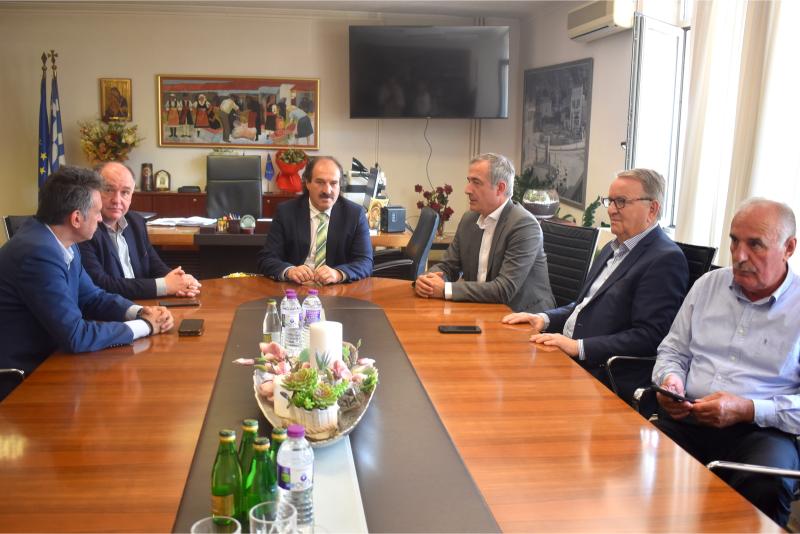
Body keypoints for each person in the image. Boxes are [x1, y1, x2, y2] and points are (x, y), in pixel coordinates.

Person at [652, 198, 800, 527]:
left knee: (766, 483)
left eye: (755, 244)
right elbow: (673, 350)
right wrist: (670, 381)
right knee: (637, 456)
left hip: (763, 432)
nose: (739, 255)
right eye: (734, 241)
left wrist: (747, 409)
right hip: (689, 418)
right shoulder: (707, 286)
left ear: (788, 248)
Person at [502, 168, 689, 402]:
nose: (611, 209)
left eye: (621, 202)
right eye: (610, 201)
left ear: (652, 209)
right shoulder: (613, 248)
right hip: (567, 359)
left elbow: (650, 337)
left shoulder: (665, 259)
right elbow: (584, 306)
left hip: (601, 375)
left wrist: (579, 347)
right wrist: (544, 318)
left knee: (513, 392)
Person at [0, 166, 174, 400]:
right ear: (76, 218)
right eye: (97, 212)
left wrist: (140, 311)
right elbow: (76, 336)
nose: (101, 218)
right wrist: (146, 326)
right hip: (25, 380)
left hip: (55, 360)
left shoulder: (62, 241)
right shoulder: (37, 253)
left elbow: (93, 297)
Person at [415, 153, 555, 313]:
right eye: (469, 181)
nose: (467, 190)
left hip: (521, 316)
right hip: (481, 310)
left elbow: (504, 289)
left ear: (500, 188)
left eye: (476, 182)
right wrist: (427, 280)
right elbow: (448, 266)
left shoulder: (524, 225)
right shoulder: (469, 219)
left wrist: (446, 289)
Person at [79, 162, 201, 300]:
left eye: (125, 192)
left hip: (145, 303)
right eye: (108, 190)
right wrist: (165, 286)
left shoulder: (136, 222)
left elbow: (154, 265)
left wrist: (180, 281)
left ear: (131, 196)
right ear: (93, 192)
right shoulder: (85, 229)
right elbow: (102, 284)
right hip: (111, 308)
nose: (117, 200)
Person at [257, 156, 373, 285]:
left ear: (340, 185)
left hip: (337, 289)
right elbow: (267, 259)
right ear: (307, 183)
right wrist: (289, 271)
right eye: (320, 182)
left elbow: (365, 262)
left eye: (333, 183)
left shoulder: (355, 214)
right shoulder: (286, 212)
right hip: (296, 289)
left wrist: (338, 274)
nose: (327, 190)